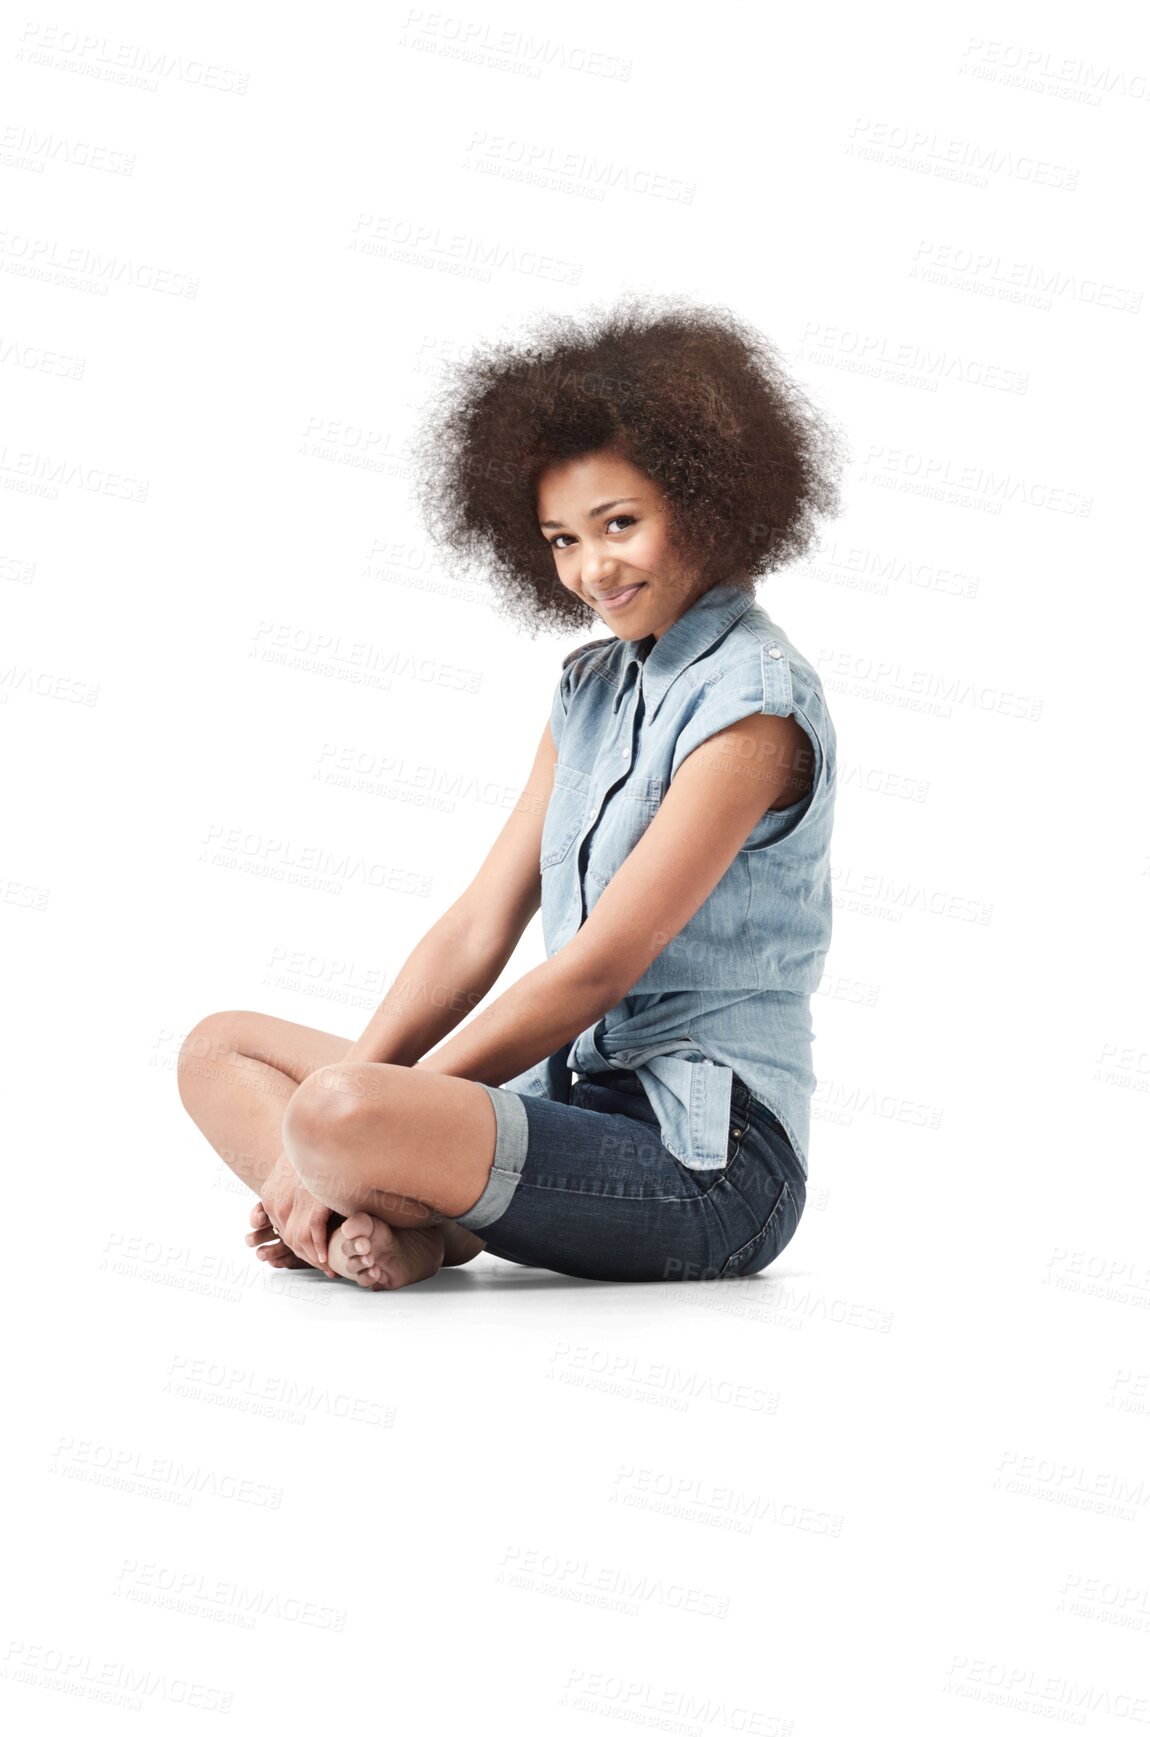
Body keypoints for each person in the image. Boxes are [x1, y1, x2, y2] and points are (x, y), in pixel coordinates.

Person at [177, 292, 847, 1288]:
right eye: (561, 539)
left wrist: (349, 1123)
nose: (590, 567)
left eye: (619, 523)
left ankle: (364, 1194)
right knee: (217, 1048)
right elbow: (476, 926)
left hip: (710, 1172)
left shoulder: (753, 706)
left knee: (332, 1112)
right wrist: (365, 1092)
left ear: (706, 503)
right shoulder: (589, 687)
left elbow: (596, 970)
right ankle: (399, 1219)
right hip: (569, 1103)